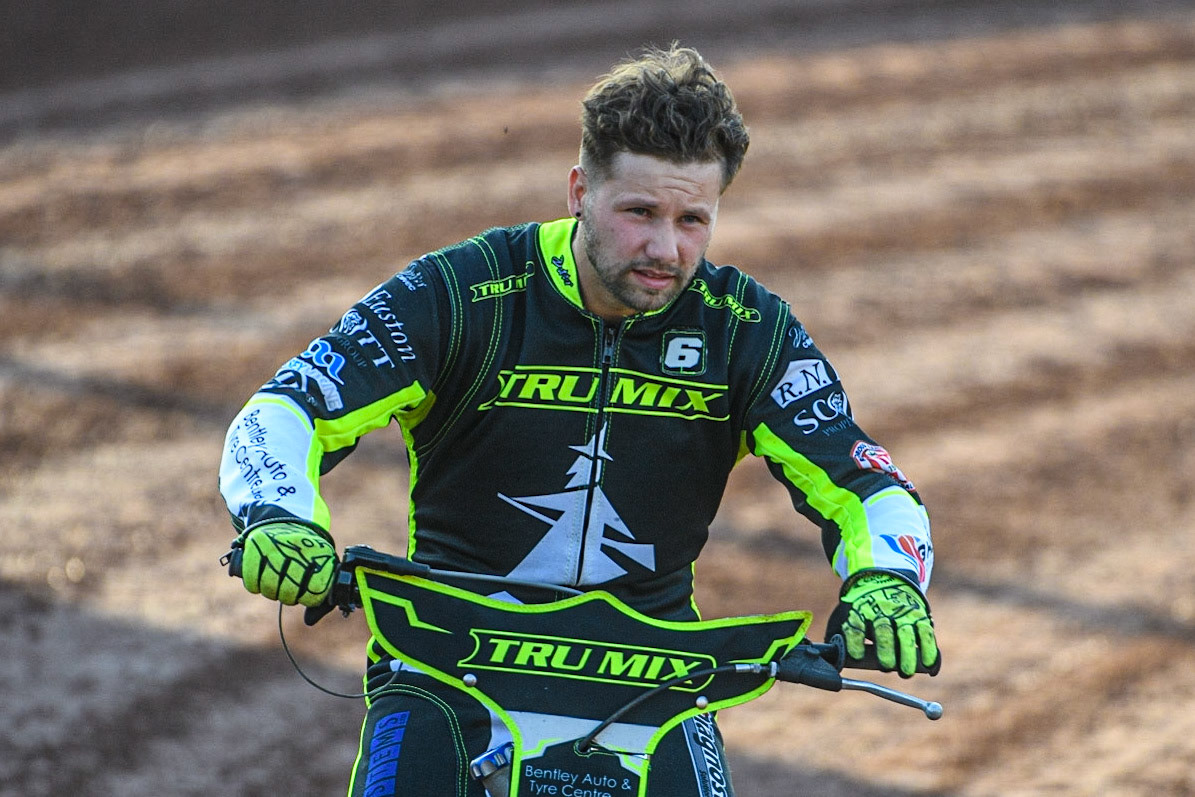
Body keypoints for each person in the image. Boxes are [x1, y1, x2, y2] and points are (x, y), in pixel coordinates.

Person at [219, 43, 939, 797]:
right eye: (639, 212)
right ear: (579, 191)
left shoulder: (744, 327)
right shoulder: (463, 292)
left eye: (692, 219)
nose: (665, 248)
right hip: (446, 661)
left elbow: (863, 480)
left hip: (655, 680)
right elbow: (287, 407)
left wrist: (886, 581)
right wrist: (281, 517)